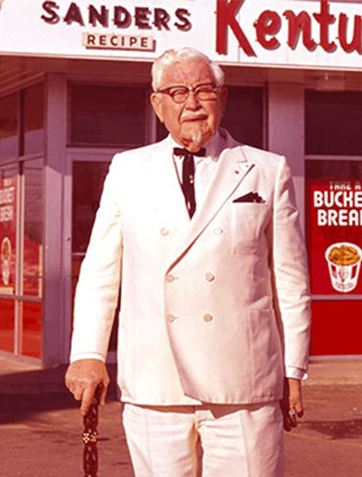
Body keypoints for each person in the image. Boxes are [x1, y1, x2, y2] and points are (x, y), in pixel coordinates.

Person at [65, 47, 311, 477]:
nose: (192, 103)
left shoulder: (266, 171)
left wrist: (293, 371)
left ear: (223, 98)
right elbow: (101, 272)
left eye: (203, 90)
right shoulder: (128, 171)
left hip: (243, 384)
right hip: (154, 382)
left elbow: (289, 282)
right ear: (157, 103)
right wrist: (87, 353)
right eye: (177, 92)